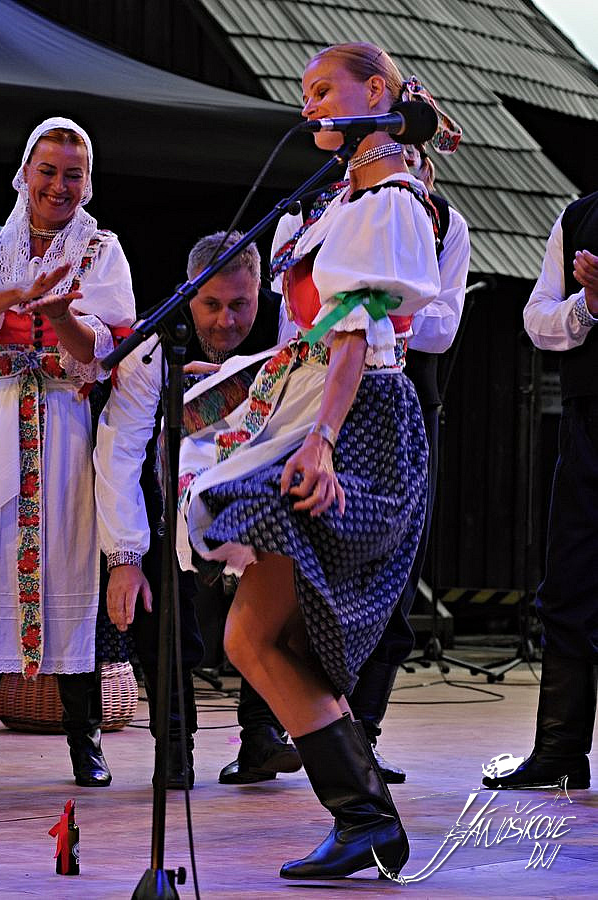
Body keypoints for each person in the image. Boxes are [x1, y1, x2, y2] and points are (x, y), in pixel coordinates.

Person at [175, 43, 442, 879]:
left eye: (325, 90)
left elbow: (357, 331)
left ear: (375, 92)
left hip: (356, 424)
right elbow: (325, 333)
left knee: (254, 634)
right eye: (305, 93)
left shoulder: (386, 202)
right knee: (260, 635)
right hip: (329, 409)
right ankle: (365, 817)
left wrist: (321, 440)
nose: (310, 106)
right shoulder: (350, 201)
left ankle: (365, 816)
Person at [0, 117, 136, 788]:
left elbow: (100, 353)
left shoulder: (101, 250)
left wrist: (61, 315)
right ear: (24, 174)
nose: (59, 185)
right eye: (48, 171)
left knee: (69, 570)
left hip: (64, 420)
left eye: (73, 174)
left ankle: (85, 744)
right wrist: (22, 292)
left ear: (88, 182)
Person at [269, 138, 470, 785]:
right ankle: (272, 736)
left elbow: (434, 324)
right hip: (308, 395)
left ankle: (362, 743)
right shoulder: (317, 212)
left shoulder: (425, 217)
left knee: (380, 579)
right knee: (274, 591)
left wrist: (374, 309)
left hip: (383, 399)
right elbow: (292, 322)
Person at [95, 230, 300, 789]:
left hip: (261, 492)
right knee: (159, 604)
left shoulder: (290, 330)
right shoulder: (152, 344)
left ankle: (262, 736)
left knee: (279, 598)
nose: (225, 321)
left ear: (261, 290)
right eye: (210, 304)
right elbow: (120, 450)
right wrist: (124, 558)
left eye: (240, 304)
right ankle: (174, 748)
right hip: (169, 494)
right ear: (189, 292)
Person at [482, 193, 598, 790]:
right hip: (588, 423)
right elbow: (538, 320)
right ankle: (559, 749)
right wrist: (590, 304)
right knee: (569, 582)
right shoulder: (578, 217)